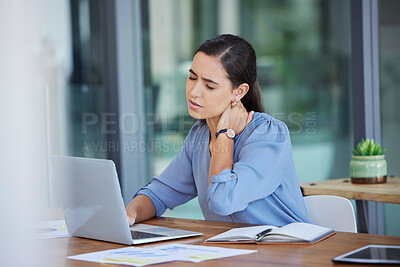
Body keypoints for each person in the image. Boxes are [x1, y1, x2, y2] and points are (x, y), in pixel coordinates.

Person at [125, 34, 310, 226]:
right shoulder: (199, 135)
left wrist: (225, 135)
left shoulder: (268, 135)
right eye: (192, 77)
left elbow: (223, 201)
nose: (194, 92)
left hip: (285, 248)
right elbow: (158, 194)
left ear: (239, 92)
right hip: (233, 251)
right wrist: (129, 214)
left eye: (209, 86)